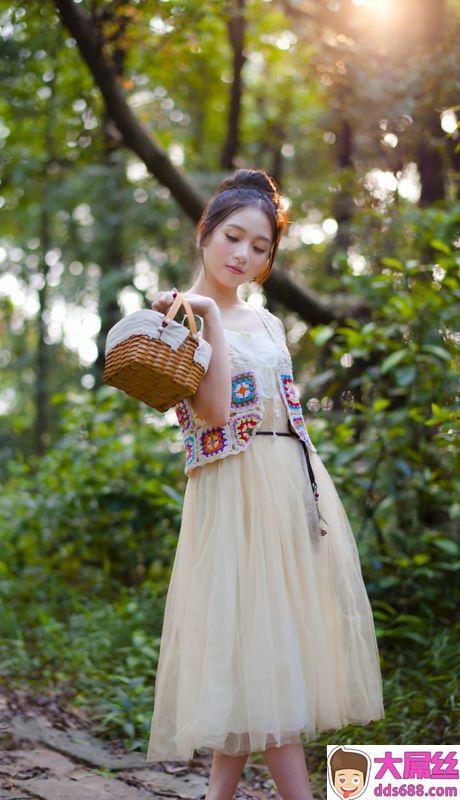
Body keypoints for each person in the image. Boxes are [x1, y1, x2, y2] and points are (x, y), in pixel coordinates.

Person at [145, 168, 384, 800]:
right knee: (267, 658)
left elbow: (288, 414)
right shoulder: (175, 317)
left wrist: (310, 502)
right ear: (206, 233)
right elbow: (216, 412)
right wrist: (208, 319)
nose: (243, 255)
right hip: (232, 493)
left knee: (272, 652)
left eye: (260, 247)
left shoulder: (272, 324)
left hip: (288, 486)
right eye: (233, 237)